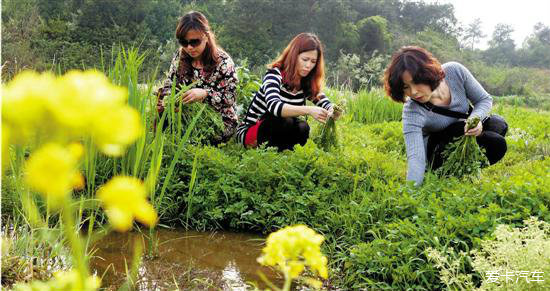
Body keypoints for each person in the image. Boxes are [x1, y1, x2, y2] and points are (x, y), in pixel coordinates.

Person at [383, 46, 507, 185]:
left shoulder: (454, 71)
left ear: (427, 74)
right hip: (436, 153)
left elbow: (484, 99)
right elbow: (416, 158)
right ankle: (445, 173)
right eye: (406, 87)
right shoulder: (412, 111)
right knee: (463, 130)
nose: (413, 92)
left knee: (498, 125)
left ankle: (464, 167)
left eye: (416, 82)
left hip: (462, 131)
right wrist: (411, 193)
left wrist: (475, 119)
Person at [236, 33, 337, 151]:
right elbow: (274, 106)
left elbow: (324, 101)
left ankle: (283, 153)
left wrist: (333, 110)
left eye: (313, 61)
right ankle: (274, 152)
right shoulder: (274, 74)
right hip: (252, 131)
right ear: (294, 56)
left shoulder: (306, 82)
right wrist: (310, 110)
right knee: (285, 121)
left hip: (280, 129)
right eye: (305, 59)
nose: (308, 65)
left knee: (303, 127)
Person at [156, 11, 238, 144]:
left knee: (198, 139)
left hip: (218, 118)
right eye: (184, 42)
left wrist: (205, 94)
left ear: (206, 37)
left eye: (195, 42)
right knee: (164, 122)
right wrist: (169, 101)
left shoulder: (223, 62)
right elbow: (170, 84)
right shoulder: (180, 56)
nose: (189, 47)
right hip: (184, 114)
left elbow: (230, 97)